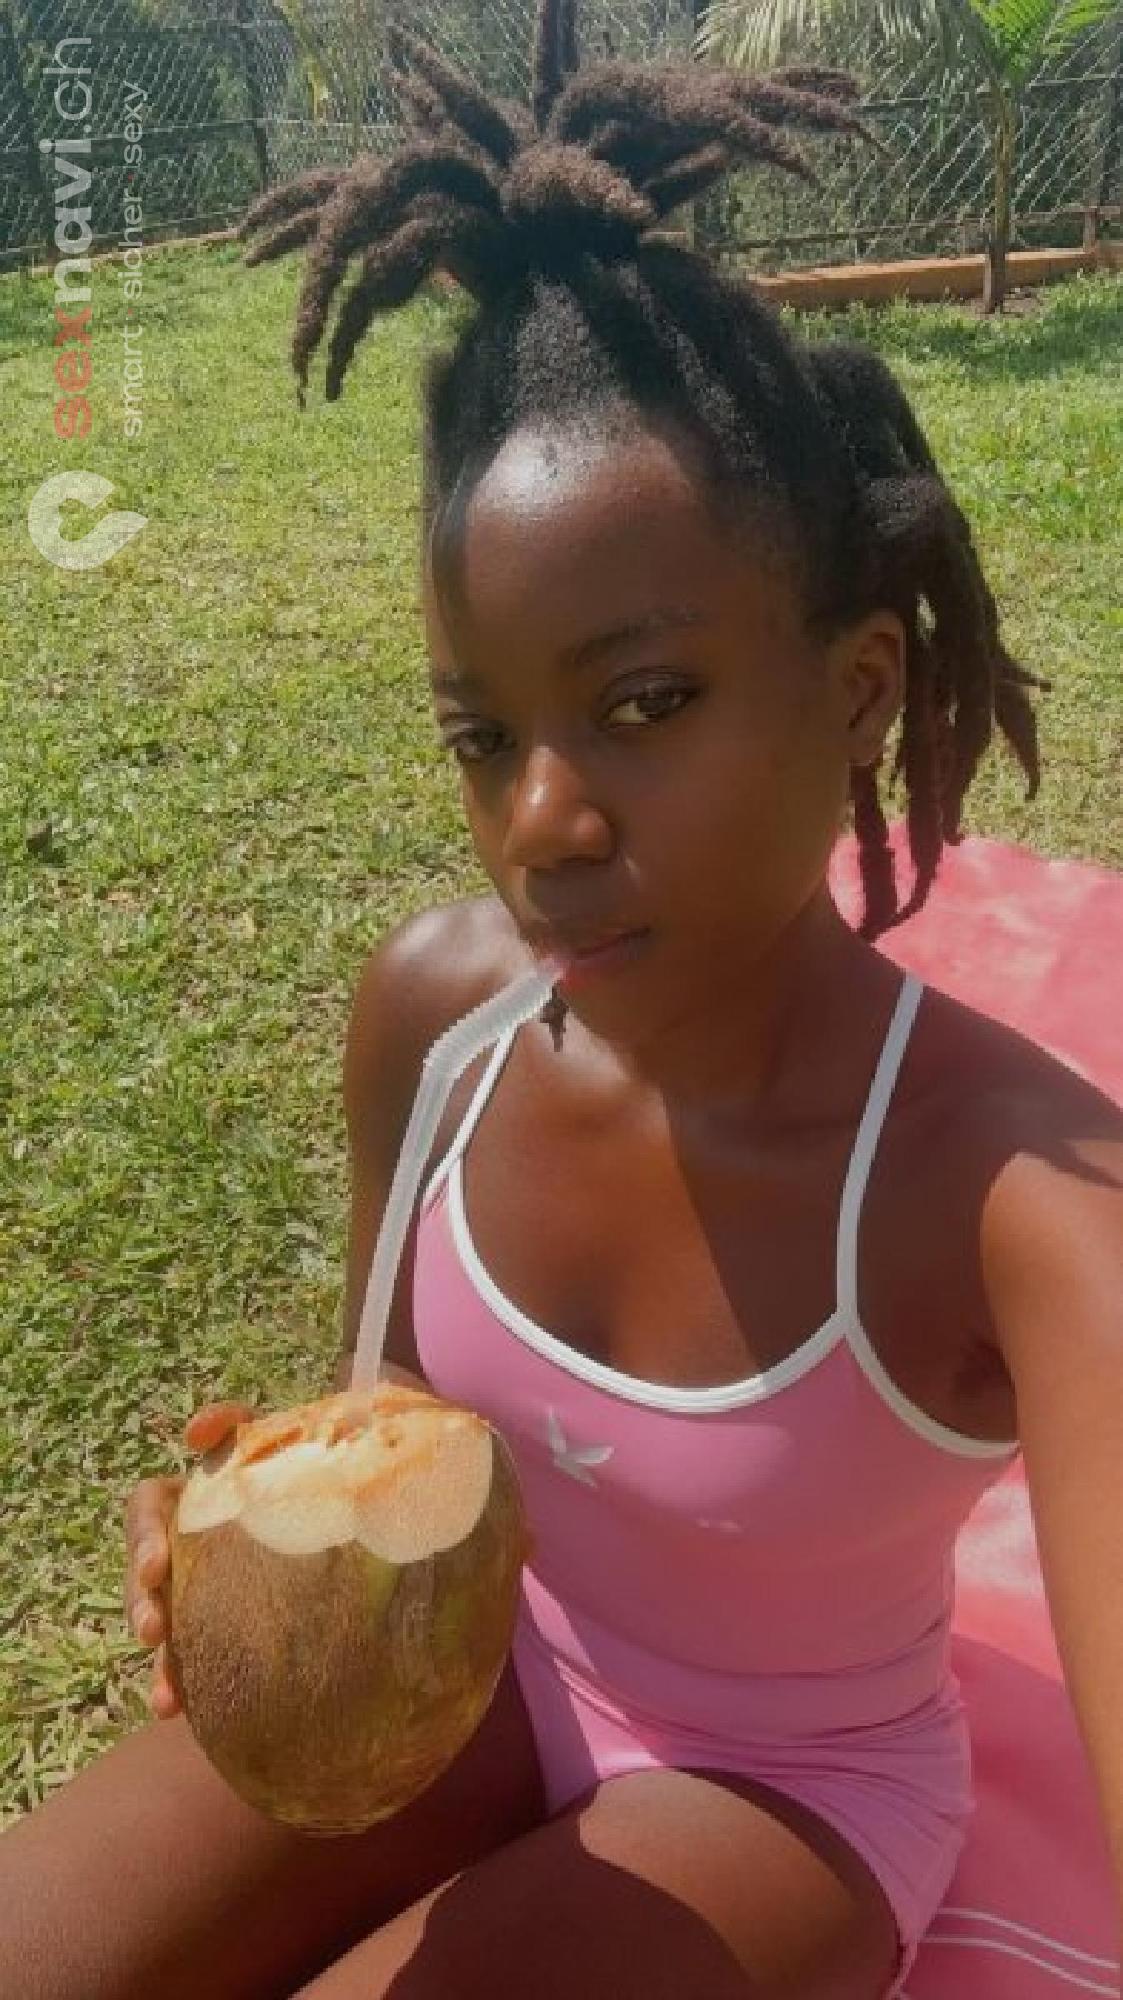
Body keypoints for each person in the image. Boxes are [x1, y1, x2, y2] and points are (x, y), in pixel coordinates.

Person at [4, 5, 1122, 1996]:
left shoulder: (1017, 1193)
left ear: (858, 689)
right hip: (476, 1673)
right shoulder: (435, 1024)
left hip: (786, 1787)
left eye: (645, 701)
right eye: (481, 731)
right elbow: (394, 1431)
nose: (542, 823)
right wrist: (255, 1520)